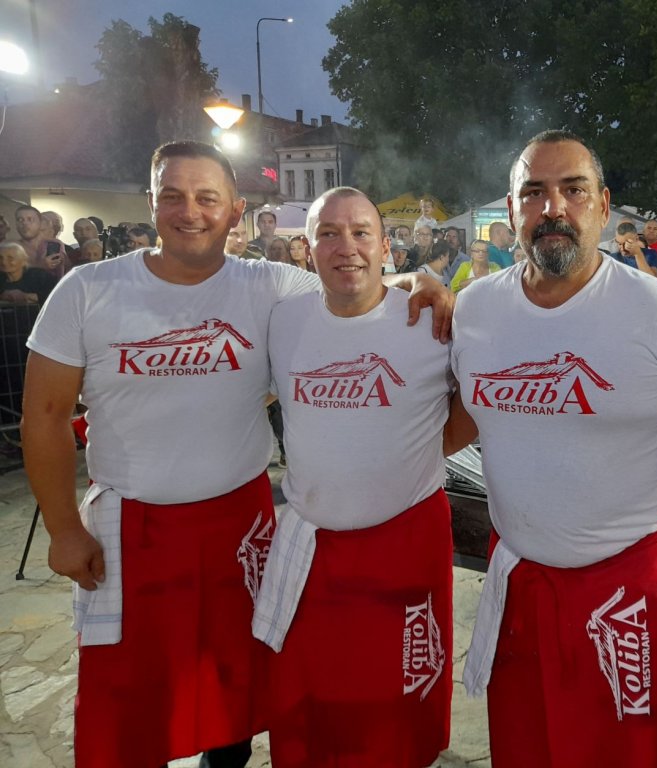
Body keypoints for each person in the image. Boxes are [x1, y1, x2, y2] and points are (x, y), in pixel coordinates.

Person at [19, 140, 452, 768]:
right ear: (151, 203)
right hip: (130, 532)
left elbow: (355, 284)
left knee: (234, 702)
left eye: (207, 198)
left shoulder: (271, 285)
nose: (190, 211)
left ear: (235, 211)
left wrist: (418, 279)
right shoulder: (87, 289)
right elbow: (44, 416)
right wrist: (63, 529)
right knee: (129, 710)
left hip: (240, 528)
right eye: (172, 196)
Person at [447, 129, 657, 767]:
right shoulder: (475, 310)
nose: (553, 208)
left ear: (603, 205)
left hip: (626, 585)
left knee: (626, 753)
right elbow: (457, 420)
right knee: (527, 744)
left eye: (573, 190)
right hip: (521, 575)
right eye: (533, 193)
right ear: (511, 210)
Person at [253, 186, 454, 767]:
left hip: (405, 542)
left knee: (399, 712)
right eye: (329, 234)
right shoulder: (283, 319)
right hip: (313, 545)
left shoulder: (432, 321)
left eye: (362, 232)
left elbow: (472, 403)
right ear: (307, 247)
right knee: (314, 704)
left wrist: (416, 446)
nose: (347, 247)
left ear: (386, 246)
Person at [14, 204, 67, 277]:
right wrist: (39, 265)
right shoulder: (9, 248)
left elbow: (62, 275)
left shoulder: (54, 244)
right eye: (20, 220)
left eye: (30, 219)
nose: (24, 223)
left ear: (39, 223)